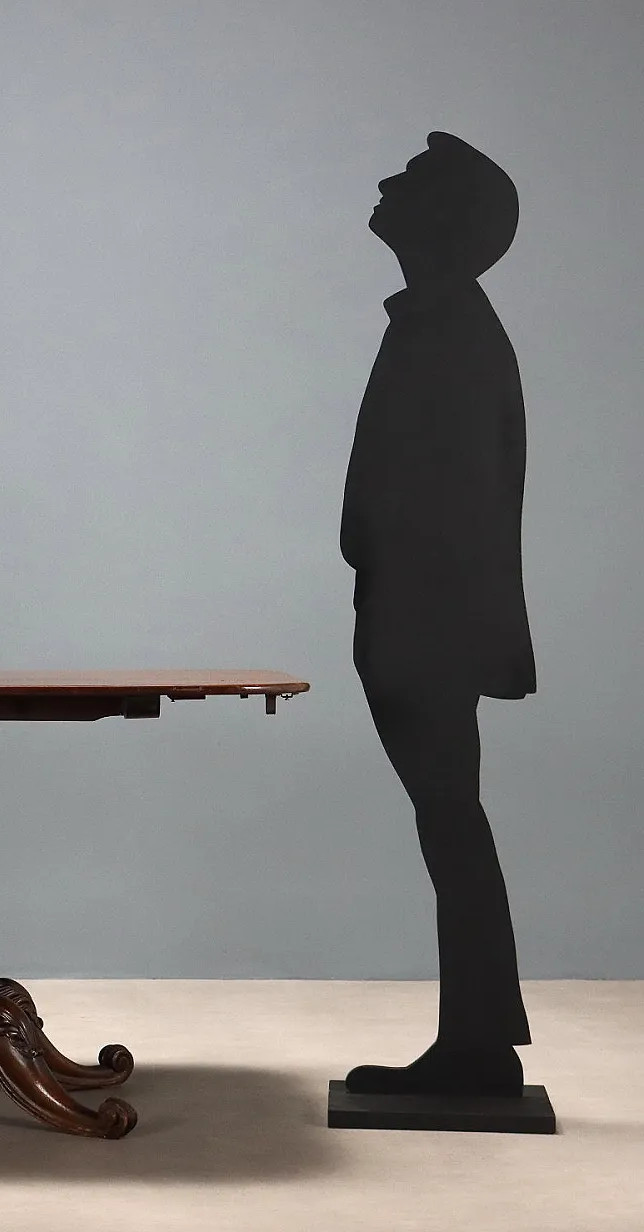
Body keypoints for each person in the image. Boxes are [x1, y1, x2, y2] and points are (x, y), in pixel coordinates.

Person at [340, 131, 535, 1096]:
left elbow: (455, 499)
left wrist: (402, 611)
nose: (385, 182)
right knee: (450, 818)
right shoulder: (443, 320)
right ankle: (480, 1037)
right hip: (418, 613)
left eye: (410, 179)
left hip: (426, 620)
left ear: (447, 219)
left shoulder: (451, 327)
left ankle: (478, 1045)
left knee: (449, 817)